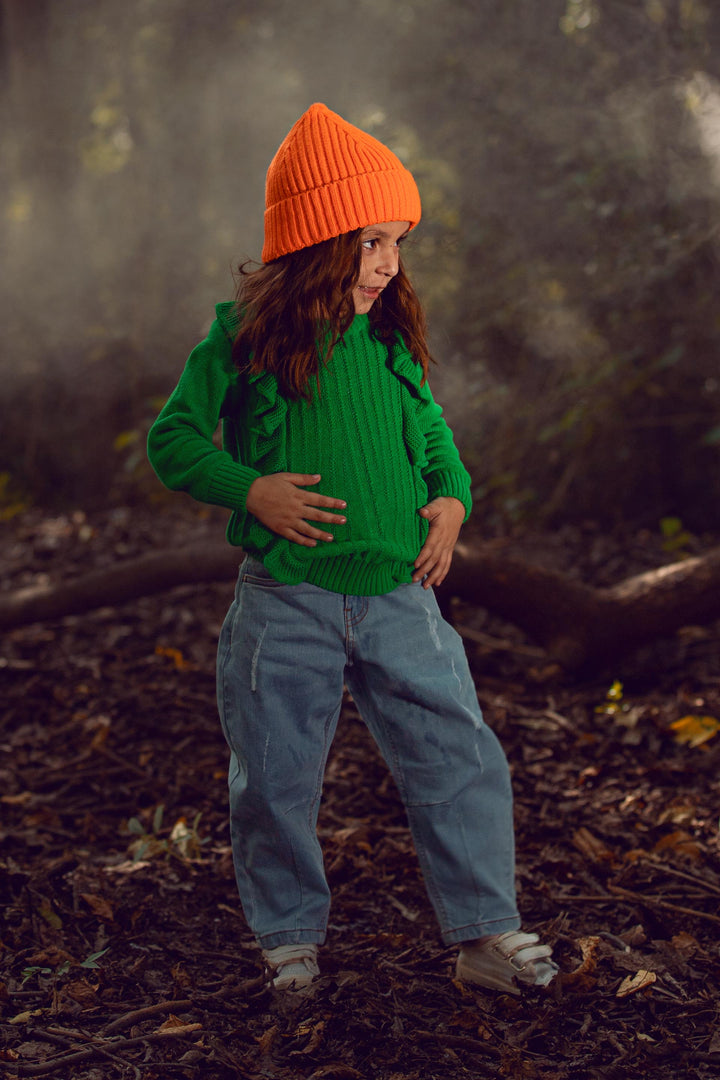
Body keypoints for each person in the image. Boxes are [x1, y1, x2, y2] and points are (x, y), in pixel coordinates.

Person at [147, 103, 557, 996]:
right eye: (371, 239)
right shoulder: (245, 336)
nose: (387, 262)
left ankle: (485, 935)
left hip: (398, 593)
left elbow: (430, 428)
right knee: (276, 775)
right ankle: (289, 940)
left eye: (398, 242)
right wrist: (247, 487)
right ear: (320, 238)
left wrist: (451, 498)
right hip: (285, 597)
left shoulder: (385, 337)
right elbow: (173, 439)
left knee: (458, 753)